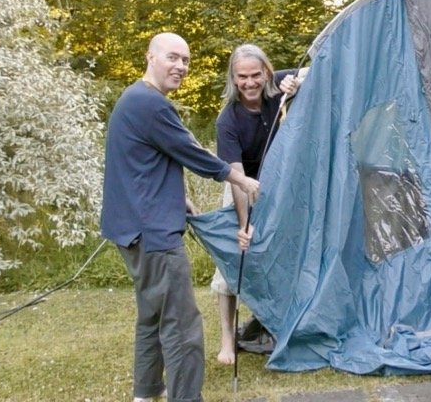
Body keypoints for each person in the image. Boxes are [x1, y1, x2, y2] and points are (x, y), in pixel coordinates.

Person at [100, 32, 260, 402]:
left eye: (185, 60)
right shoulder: (151, 104)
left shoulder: (134, 99)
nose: (181, 67)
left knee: (152, 317)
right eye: (173, 57)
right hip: (154, 234)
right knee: (182, 326)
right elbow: (192, 153)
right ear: (150, 57)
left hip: (132, 229)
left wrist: (180, 196)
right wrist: (240, 178)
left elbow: (145, 162)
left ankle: (146, 394)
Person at [211, 43, 304, 364]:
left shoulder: (277, 85)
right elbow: (235, 178)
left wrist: (298, 82)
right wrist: (243, 224)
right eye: (242, 77)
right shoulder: (228, 121)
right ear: (233, 79)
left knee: (280, 258)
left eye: (255, 75)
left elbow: (317, 67)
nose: (249, 83)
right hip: (241, 186)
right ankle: (227, 339)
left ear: (266, 72)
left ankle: (276, 326)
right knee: (232, 262)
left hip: (279, 187)